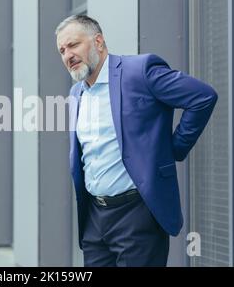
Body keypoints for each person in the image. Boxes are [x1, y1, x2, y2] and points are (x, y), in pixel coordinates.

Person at [56, 15, 218, 267]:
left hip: (137, 215)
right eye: (62, 50)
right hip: (95, 221)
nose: (68, 55)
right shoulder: (76, 93)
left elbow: (202, 97)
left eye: (73, 45)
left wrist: (175, 147)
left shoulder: (140, 71)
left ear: (98, 41)